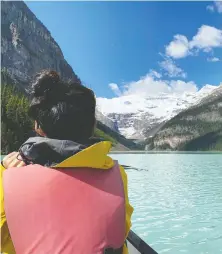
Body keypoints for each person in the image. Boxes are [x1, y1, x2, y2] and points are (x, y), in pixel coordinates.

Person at [0, 70, 133, 254]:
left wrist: (3, 170)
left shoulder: (8, 177)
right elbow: (122, 229)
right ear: (92, 125)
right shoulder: (117, 175)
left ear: (39, 126)